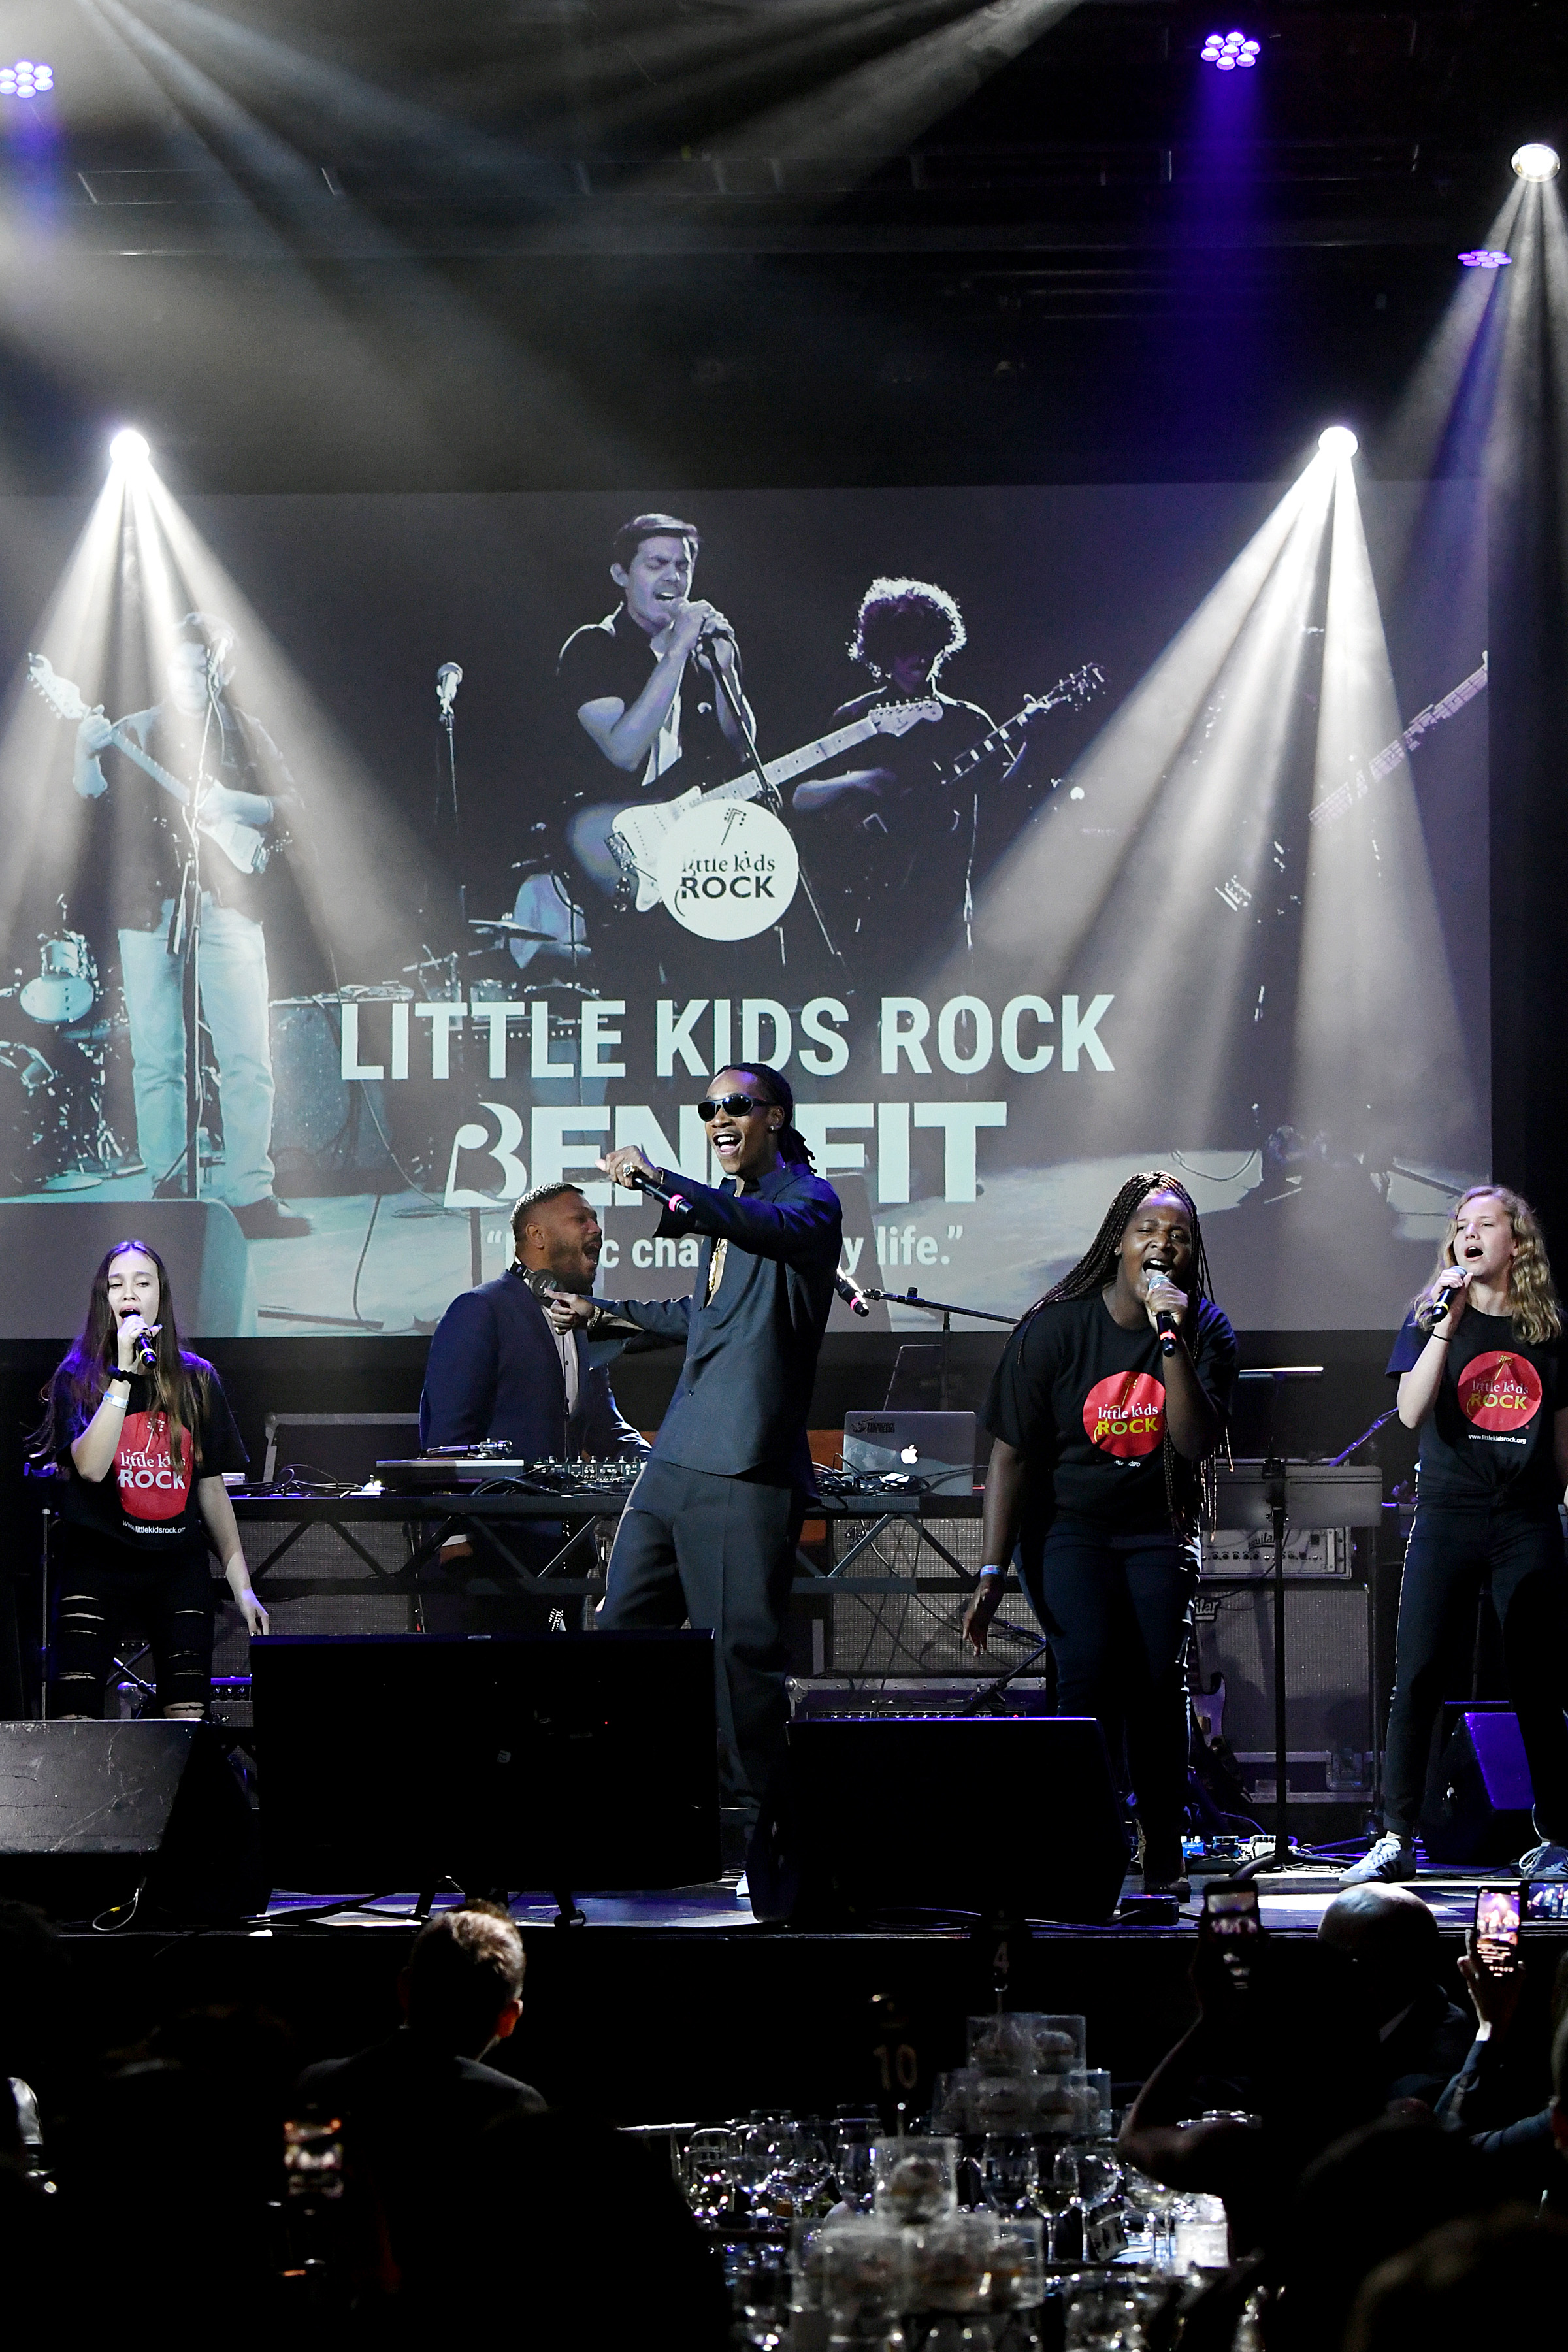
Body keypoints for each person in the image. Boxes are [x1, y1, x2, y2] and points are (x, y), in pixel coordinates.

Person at [548, 1064, 841, 1844]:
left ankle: (763, 1838)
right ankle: (633, 1811)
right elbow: (703, 1314)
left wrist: (658, 1181)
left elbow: (763, 1233)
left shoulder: (807, 1201)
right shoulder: (736, 1210)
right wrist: (602, 1313)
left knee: (741, 1666)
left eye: (735, 1106)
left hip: (744, 1468)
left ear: (774, 1117)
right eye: (708, 1107)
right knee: (621, 1639)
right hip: (675, 1458)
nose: (718, 1117)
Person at [964, 1171, 1237, 1896]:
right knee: (1085, 1671)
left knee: (1154, 1683)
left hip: (1158, 1528)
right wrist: (991, 1571)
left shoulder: (1203, 1330)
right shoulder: (1055, 1328)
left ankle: (1163, 1843)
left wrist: (1170, 1342)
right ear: (1119, 1242)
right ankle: (1080, 1836)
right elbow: (1011, 1454)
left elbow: (1191, 1441)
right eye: (1148, 1229)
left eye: (1178, 1235)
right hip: (1067, 1532)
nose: (1163, 1244)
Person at [1343, 1184, 1568, 1886]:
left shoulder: (1548, 1330)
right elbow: (1410, 1411)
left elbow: (1562, 1448)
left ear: (1516, 1242)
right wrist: (1445, 1322)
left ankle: (1559, 1838)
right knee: (1419, 1676)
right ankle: (1396, 1834)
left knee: (1538, 1681)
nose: (1469, 1234)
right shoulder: (1431, 1315)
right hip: (1448, 1514)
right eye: (1460, 1226)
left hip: (1526, 1520)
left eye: (1486, 1224)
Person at [72, 612, 308, 1239]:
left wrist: (236, 804)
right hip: (149, 907)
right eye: (181, 664)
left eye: (204, 666)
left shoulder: (244, 732)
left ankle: (251, 1195)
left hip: (230, 906)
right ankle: (168, 1188)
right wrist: (85, 753)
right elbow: (89, 799)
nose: (192, 676)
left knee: (247, 1055)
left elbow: (293, 807)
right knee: (158, 1057)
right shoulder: (135, 731)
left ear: (220, 669)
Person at [32, 1238, 267, 1719]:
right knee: (73, 1719)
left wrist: (242, 1585)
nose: (129, 1293)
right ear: (104, 1298)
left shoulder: (197, 1380)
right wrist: (122, 1374)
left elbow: (211, 1489)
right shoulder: (77, 1377)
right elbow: (93, 1467)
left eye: (143, 1282)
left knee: (188, 1720)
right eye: (116, 1284)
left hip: (175, 1566)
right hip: (97, 1561)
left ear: (161, 1296)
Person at [418, 1181, 651, 1633]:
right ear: (536, 1236)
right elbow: (446, 1438)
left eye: (595, 1219)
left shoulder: (583, 1322)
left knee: (558, 1694)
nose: (596, 1228)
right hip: (493, 1554)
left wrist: (662, 1470)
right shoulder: (480, 1310)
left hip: (562, 1556)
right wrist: (455, 1540)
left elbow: (605, 1428)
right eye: (580, 1219)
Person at [295, 1903, 546, 2294]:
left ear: (404, 1988)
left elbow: (307, 2217)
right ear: (509, 2018)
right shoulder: (517, 2110)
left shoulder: (316, 2088)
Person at [791, 576, 1007, 968]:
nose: (919, 659)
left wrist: (1028, 739)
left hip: (943, 903)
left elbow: (1005, 797)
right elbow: (802, 797)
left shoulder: (968, 722)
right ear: (884, 652)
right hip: (865, 900)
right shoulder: (855, 718)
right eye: (906, 648)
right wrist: (859, 779)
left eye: (927, 648)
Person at [555, 513, 757, 919]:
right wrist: (678, 651)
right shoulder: (593, 648)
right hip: (614, 846)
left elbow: (742, 748)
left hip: (697, 854)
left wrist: (726, 673)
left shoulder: (698, 655)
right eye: (656, 565)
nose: (674, 577)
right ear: (621, 574)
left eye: (682, 566)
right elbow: (624, 750)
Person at [1315, 1882, 1475, 2107]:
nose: (1312, 1963)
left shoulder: (1433, 2075)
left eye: (1322, 1952)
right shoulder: (1360, 2012)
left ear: (1358, 1971)